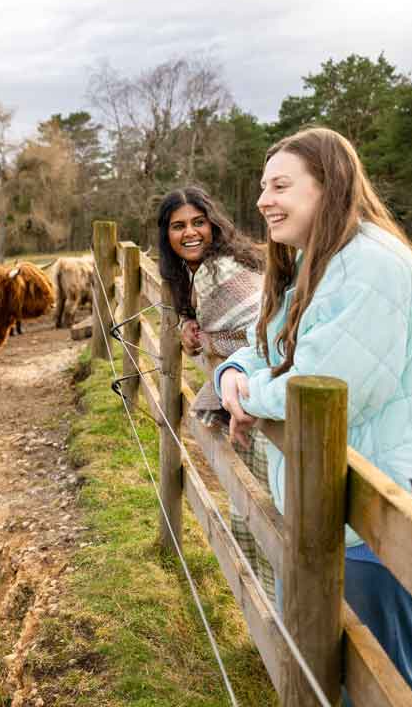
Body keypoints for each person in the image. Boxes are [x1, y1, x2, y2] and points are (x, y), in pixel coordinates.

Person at [216, 127, 412, 707]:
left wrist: (248, 395)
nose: (263, 199)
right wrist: (232, 374)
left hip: (387, 509)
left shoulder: (370, 267)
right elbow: (267, 347)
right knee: (338, 669)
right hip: (339, 509)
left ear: (329, 186)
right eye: (263, 185)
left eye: (281, 185)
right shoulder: (325, 261)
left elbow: (326, 384)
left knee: (387, 685)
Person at [156, 186, 275, 601]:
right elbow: (211, 329)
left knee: (266, 500)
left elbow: (249, 330)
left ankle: (277, 604)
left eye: (198, 223)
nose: (190, 233)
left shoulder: (219, 270)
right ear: (166, 235)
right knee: (255, 496)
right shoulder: (193, 275)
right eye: (178, 226)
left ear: (212, 224)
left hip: (265, 388)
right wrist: (191, 329)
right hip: (250, 387)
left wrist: (203, 336)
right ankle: (270, 603)